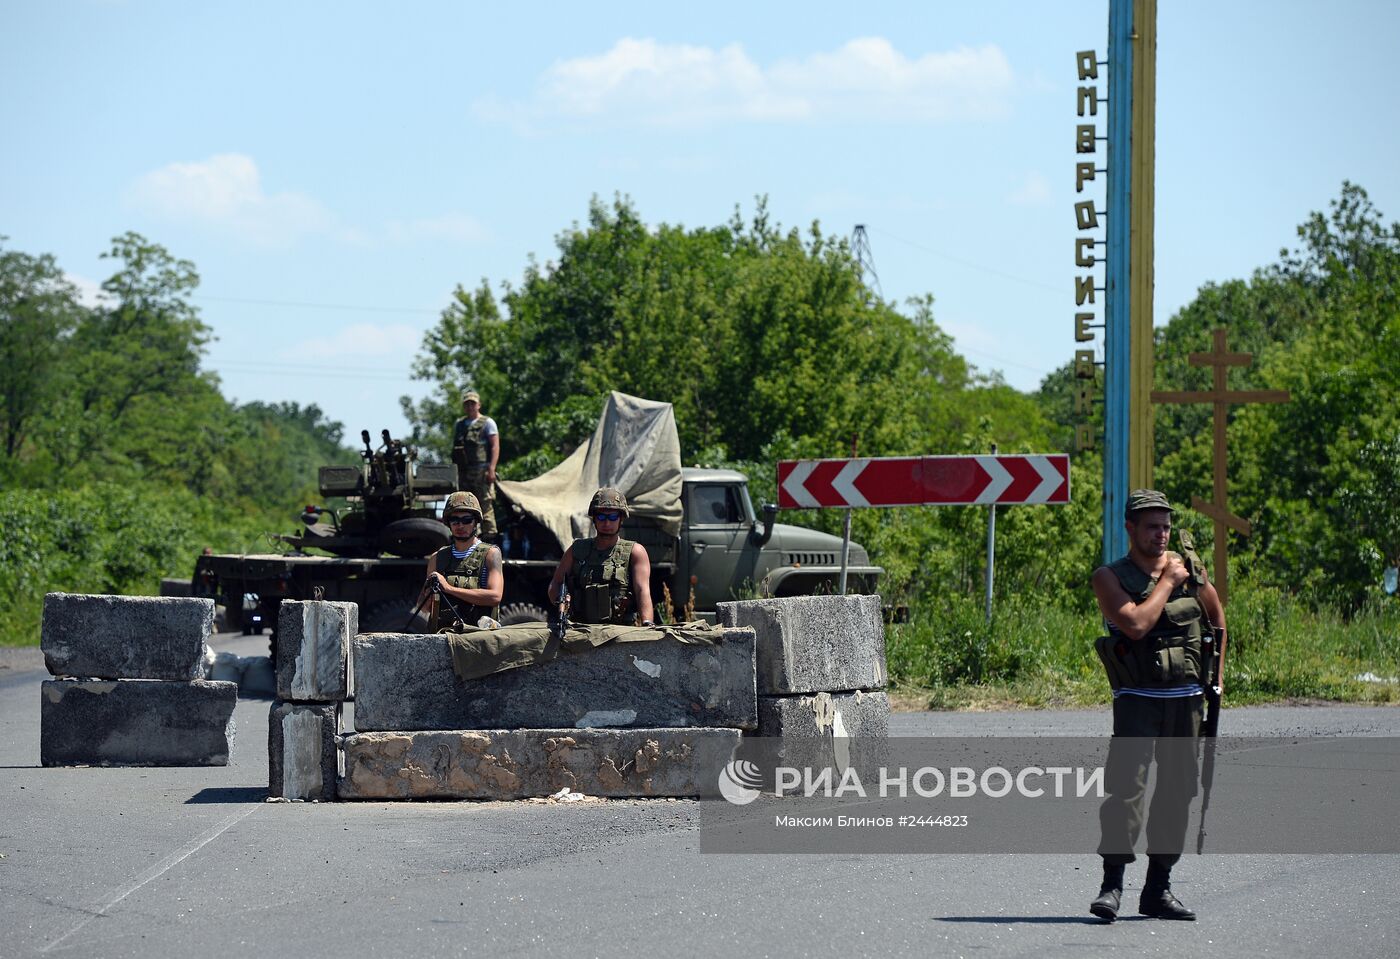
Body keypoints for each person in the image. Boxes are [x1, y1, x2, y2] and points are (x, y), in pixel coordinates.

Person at [1088, 489, 1226, 922]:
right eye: (1151, 526)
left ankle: (1158, 888)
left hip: (1185, 702)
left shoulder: (1192, 572)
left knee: (1177, 793)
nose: (1161, 534)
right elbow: (1133, 625)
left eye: (1165, 526)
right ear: (1130, 528)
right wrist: (1167, 581)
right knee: (1125, 791)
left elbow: (1217, 620)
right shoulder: (1110, 577)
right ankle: (1112, 886)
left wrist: (1216, 682)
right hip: (1137, 701)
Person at [546, 488, 655, 626]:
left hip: (620, 632)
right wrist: (561, 601)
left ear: (621, 519)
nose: (607, 523)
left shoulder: (635, 552)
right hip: (581, 631)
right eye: (601, 517)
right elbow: (556, 583)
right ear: (594, 519)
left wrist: (647, 622)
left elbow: (642, 590)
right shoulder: (577, 550)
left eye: (613, 517)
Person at [421, 491, 503, 631]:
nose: (460, 526)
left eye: (466, 520)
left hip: (478, 637)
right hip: (444, 637)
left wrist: (449, 589)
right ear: (448, 523)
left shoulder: (490, 554)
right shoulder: (437, 558)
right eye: (455, 521)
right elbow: (423, 608)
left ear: (476, 521)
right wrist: (430, 593)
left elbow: (494, 596)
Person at [451, 389, 500, 539]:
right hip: (464, 471)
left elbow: (495, 446)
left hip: (481, 470)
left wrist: (491, 469)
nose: (470, 406)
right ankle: (471, 535)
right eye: (467, 404)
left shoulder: (487, 423)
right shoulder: (460, 424)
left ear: (479, 405)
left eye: (473, 403)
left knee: (485, 504)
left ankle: (489, 536)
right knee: (465, 504)